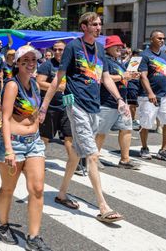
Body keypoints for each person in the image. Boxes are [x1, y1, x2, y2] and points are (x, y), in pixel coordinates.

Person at [40, 12, 128, 223]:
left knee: (75, 155)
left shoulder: (99, 50)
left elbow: (105, 77)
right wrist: (43, 106)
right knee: (92, 155)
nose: (99, 28)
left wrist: (119, 99)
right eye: (94, 24)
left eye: (100, 24)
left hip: (93, 107)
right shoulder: (73, 47)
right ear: (84, 27)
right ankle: (103, 206)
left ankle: (61, 194)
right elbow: (57, 79)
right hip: (76, 106)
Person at [0, 45, 51, 250]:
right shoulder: (12, 85)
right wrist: (9, 149)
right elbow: (6, 118)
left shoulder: (34, 84)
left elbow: (35, 108)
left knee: (37, 189)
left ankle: (34, 237)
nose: (30, 63)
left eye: (33, 60)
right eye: (24, 60)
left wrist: (39, 117)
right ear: (17, 63)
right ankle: (2, 224)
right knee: (8, 188)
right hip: (14, 143)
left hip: (34, 142)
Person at [36, 40, 80, 208]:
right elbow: (40, 82)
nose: (58, 52)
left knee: (69, 137)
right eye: (55, 49)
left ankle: (73, 164)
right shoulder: (48, 65)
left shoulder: (71, 65)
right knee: (45, 138)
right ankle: (37, 162)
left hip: (67, 107)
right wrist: (59, 87)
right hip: (51, 107)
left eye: (61, 49)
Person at [95, 36, 140, 169]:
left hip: (122, 102)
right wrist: (122, 76)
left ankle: (125, 160)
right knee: (101, 132)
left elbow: (121, 78)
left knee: (126, 129)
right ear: (108, 48)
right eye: (116, 45)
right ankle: (94, 158)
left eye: (121, 46)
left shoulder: (118, 62)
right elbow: (102, 78)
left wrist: (129, 76)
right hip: (106, 102)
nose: (120, 48)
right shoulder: (103, 60)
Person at [138, 30, 166, 162]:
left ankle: (163, 150)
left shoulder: (165, 56)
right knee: (146, 124)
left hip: (165, 95)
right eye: (159, 38)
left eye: (163, 38)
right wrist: (150, 92)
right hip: (148, 96)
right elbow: (143, 76)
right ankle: (144, 147)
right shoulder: (144, 55)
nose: (162, 40)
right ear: (151, 39)